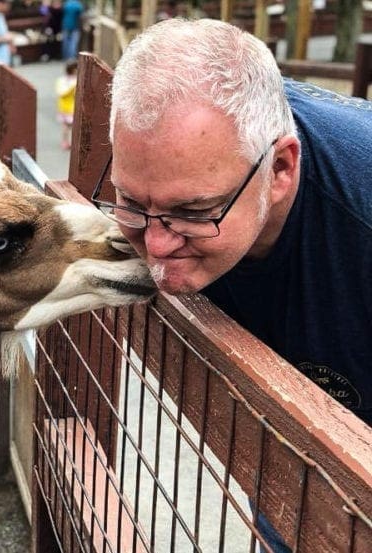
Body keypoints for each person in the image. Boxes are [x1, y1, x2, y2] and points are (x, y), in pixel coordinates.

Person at [92, 17, 372, 552]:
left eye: (192, 211)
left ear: (282, 168)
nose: (154, 247)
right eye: (132, 201)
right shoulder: (213, 165)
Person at [55, 59, 77, 149]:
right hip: (71, 106)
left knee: (65, 127)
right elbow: (63, 92)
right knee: (72, 127)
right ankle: (69, 142)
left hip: (63, 106)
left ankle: (65, 142)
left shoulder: (61, 80)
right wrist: (72, 87)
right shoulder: (74, 81)